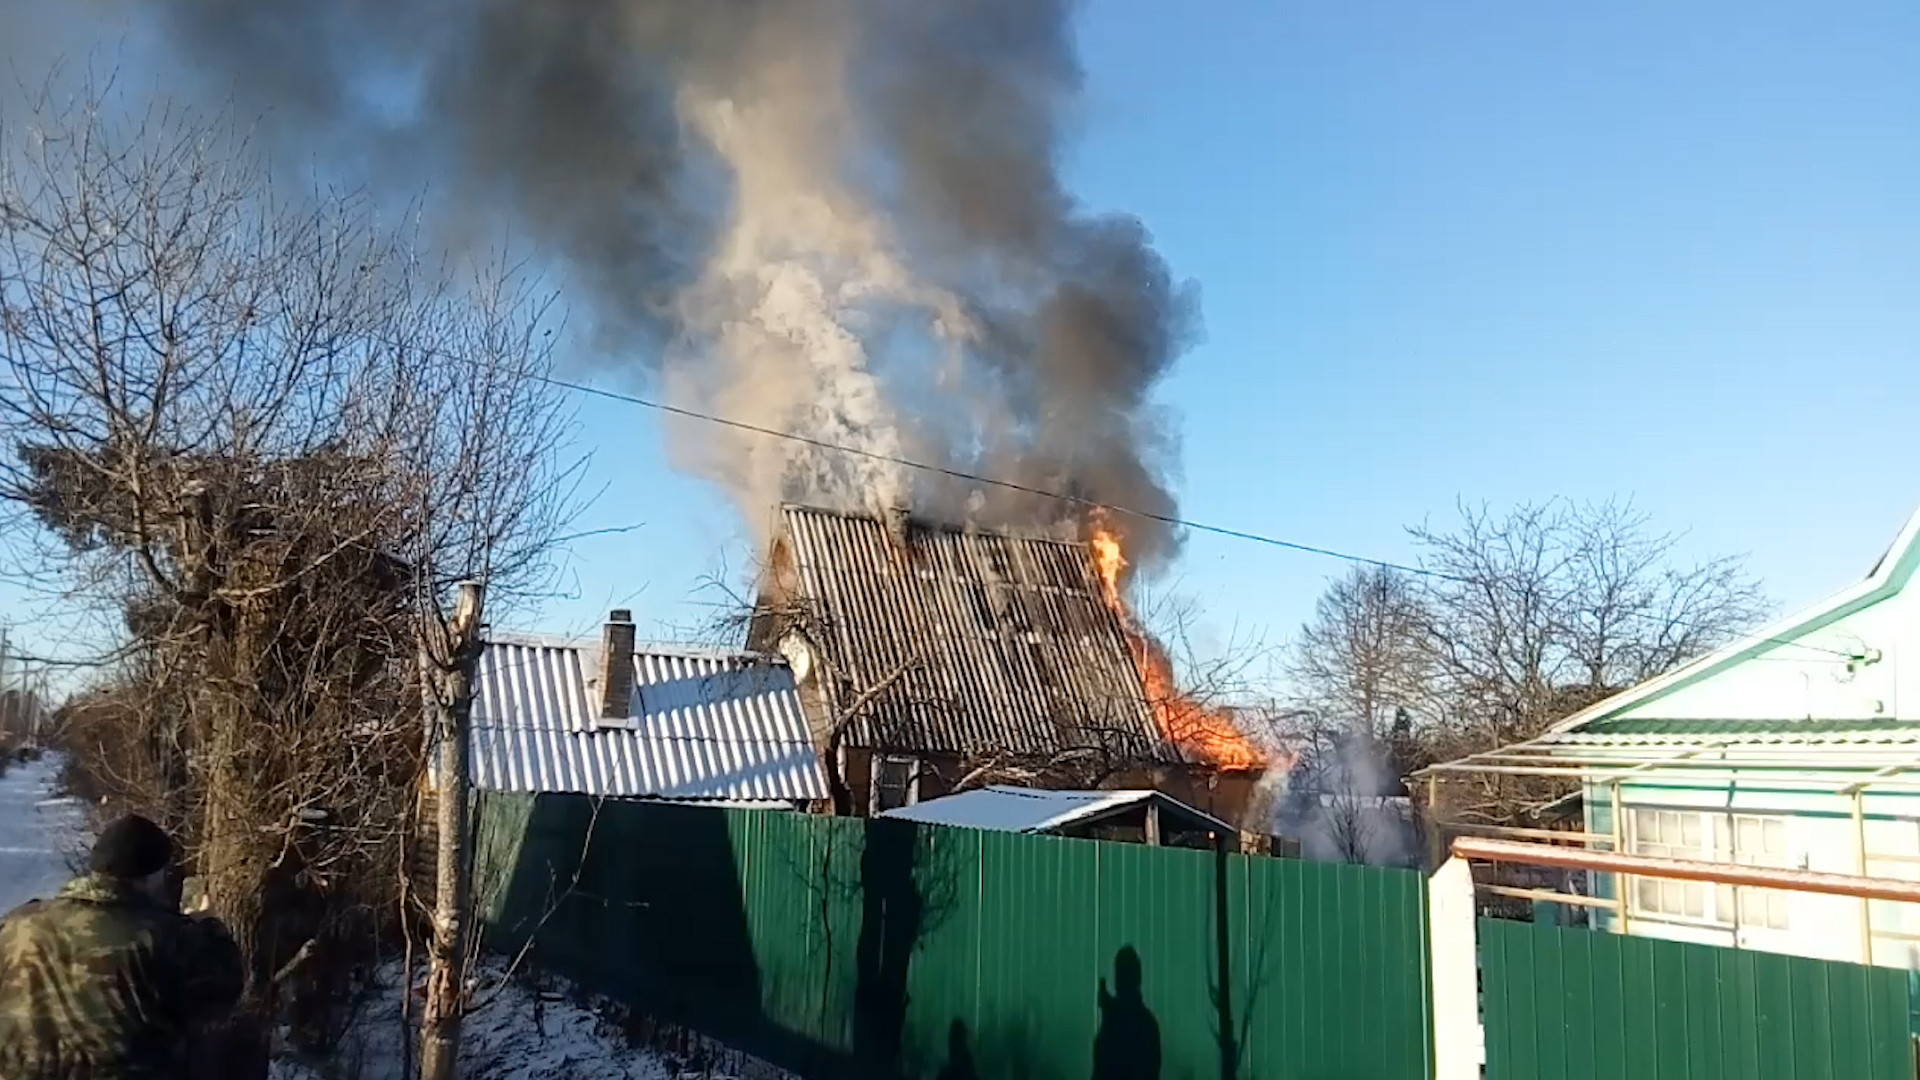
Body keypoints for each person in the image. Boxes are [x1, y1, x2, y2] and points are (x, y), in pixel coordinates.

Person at [0, 814, 245, 1079]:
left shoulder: (17, 924)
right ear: (151, 877)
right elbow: (226, 986)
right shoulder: (169, 935)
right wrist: (209, 924)